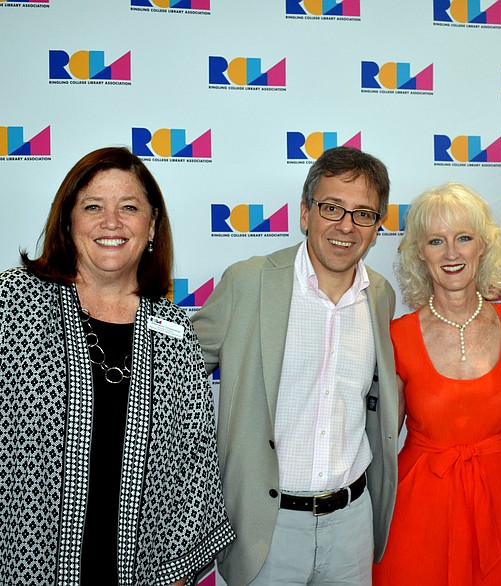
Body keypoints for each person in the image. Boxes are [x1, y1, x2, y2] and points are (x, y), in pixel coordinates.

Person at [0, 147, 234, 586]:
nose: (112, 222)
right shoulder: (12, 305)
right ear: (69, 223)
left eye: (129, 207)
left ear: (152, 227)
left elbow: (190, 483)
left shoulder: (176, 335)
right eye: (93, 207)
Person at [191, 146, 399, 586]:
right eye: (331, 208)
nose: (346, 226)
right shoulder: (249, 282)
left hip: (352, 523)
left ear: (378, 227)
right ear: (305, 213)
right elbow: (176, 372)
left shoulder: (380, 295)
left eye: (363, 213)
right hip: (266, 526)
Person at [372, 183, 501, 585]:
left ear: (483, 246)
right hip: (418, 510)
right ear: (418, 253)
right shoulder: (396, 335)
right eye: (435, 241)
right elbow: (378, 440)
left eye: (463, 238)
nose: (451, 253)